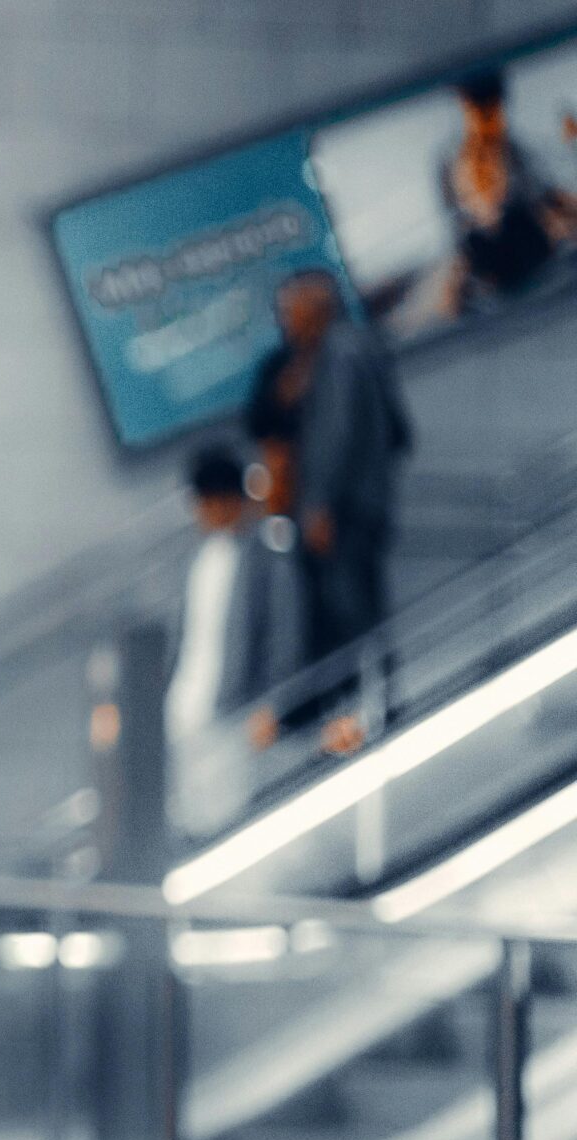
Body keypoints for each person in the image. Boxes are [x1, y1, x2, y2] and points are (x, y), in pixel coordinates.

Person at [263, 271, 413, 752]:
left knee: (354, 613)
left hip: (347, 510)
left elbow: (336, 436)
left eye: (291, 311)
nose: (285, 322)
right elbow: (396, 428)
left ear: (316, 308)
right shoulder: (347, 349)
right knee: (361, 610)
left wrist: (321, 504)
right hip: (363, 503)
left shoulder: (339, 355)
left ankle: (369, 708)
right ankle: (375, 703)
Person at [167, 446, 307, 832]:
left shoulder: (267, 556)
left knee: (226, 818)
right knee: (184, 817)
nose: (199, 513)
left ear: (224, 500)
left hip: (233, 710)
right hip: (183, 706)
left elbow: (285, 636)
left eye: (204, 502)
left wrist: (272, 705)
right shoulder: (195, 560)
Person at [437, 67, 577, 317]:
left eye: (492, 108)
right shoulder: (451, 162)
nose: (488, 119)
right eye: (478, 109)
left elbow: (553, 200)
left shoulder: (517, 154)